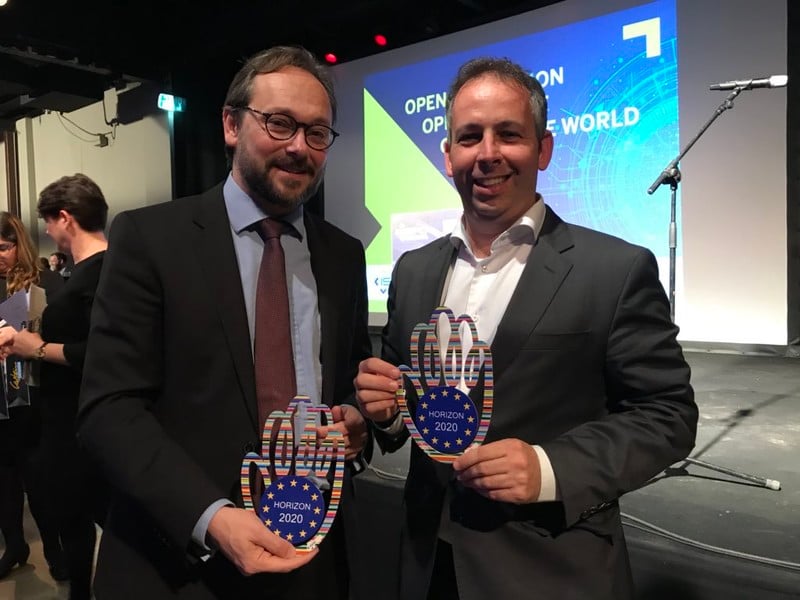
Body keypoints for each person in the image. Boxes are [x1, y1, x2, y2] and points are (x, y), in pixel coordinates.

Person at [354, 57, 698, 600]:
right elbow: (404, 408)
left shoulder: (614, 269)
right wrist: (390, 412)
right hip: (426, 564)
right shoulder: (413, 271)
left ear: (543, 149)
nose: (487, 154)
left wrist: (548, 467)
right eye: (469, 137)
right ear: (448, 156)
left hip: (550, 570)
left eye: (508, 134)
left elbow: (668, 416)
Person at [77, 45, 372, 600]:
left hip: (313, 559)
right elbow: (108, 411)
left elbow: (348, 378)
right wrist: (211, 517)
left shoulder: (343, 255)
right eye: (280, 124)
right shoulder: (150, 240)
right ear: (232, 125)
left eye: (317, 133)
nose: (298, 147)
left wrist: (357, 420)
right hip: (180, 564)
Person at [1, 174, 110, 599]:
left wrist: (37, 347)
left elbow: (99, 354)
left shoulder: (91, 279)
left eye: (48, 221)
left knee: (81, 522)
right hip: (67, 420)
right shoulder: (94, 274)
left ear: (65, 218)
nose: (46, 231)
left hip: (76, 424)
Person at [0, 212, 66, 582]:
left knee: (39, 482)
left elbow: (61, 341)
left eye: (4, 247)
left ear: (19, 245)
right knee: (4, 482)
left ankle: (55, 550)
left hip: (33, 399)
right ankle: (14, 545)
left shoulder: (44, 284)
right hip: (1, 402)